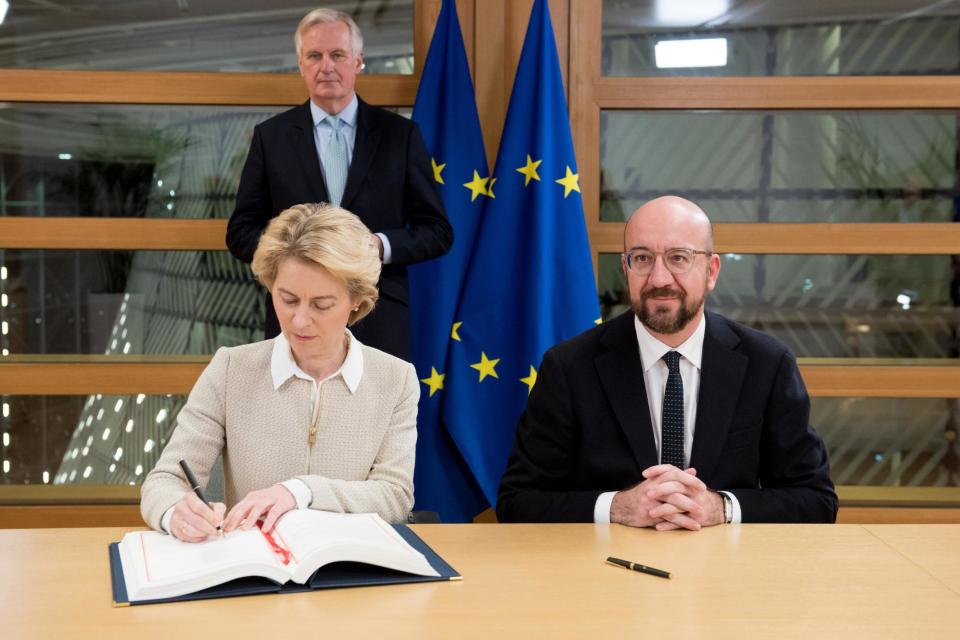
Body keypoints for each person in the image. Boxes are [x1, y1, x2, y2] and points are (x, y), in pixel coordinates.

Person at [497, 196, 838, 528]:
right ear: (625, 268)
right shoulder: (569, 366)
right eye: (642, 258)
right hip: (605, 574)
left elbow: (815, 500)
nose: (659, 279)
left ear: (711, 270)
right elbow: (518, 502)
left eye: (679, 258)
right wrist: (617, 507)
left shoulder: (767, 363)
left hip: (726, 575)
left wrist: (720, 508)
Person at [142, 203, 419, 541]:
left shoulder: (396, 379)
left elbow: (395, 495)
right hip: (255, 572)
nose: (300, 320)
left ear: (356, 301)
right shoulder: (231, 369)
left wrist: (300, 492)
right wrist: (176, 512)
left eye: (321, 305)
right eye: (287, 299)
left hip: (349, 572)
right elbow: (164, 482)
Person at [226, 8, 452, 360]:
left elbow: (437, 231)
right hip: (296, 321)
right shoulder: (271, 138)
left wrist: (378, 246)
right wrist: (293, 255)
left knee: (375, 416)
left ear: (358, 61)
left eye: (337, 55)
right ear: (301, 64)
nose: (326, 66)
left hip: (378, 314)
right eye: (314, 56)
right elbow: (240, 232)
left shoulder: (400, 135)